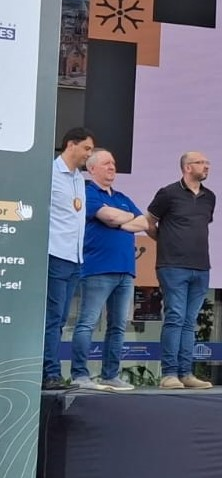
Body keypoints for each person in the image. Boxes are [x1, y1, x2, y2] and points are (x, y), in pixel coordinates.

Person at [70, 149, 146, 391]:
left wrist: (121, 218)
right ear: (92, 169)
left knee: (118, 326)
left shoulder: (122, 196)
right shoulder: (87, 191)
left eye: (113, 163)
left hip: (125, 270)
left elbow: (143, 222)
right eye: (106, 163)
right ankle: (79, 375)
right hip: (98, 269)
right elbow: (108, 217)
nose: (112, 167)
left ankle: (110, 374)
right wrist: (126, 219)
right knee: (87, 323)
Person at [147, 151, 216, 389]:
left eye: (207, 163)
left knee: (189, 321)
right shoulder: (168, 193)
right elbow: (149, 221)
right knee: (175, 317)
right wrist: (166, 241)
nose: (206, 166)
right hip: (173, 265)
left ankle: (186, 373)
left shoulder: (210, 197)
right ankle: (169, 373)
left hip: (201, 266)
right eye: (201, 163)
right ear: (187, 167)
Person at [42, 127, 95, 391]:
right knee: (53, 317)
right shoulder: (49, 173)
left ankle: (52, 371)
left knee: (61, 318)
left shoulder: (77, 179)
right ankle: (49, 373)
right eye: (86, 148)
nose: (89, 154)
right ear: (70, 145)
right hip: (55, 253)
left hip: (75, 257)